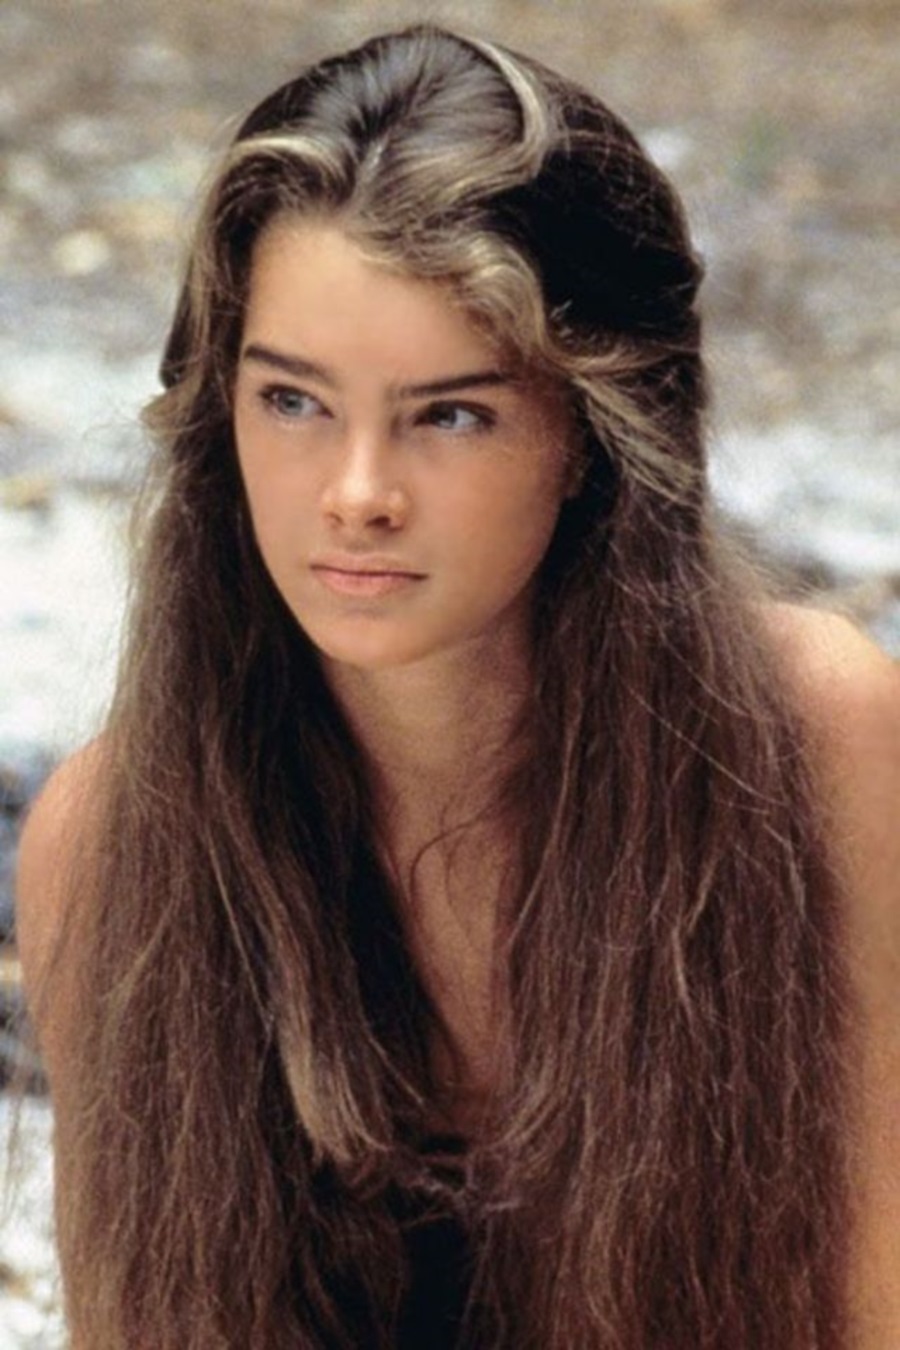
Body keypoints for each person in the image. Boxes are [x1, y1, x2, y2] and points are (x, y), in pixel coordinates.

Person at [13, 23, 900, 1350]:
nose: (357, 493)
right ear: (220, 413)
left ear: (589, 435)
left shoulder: (815, 743)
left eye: (450, 414)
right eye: (294, 402)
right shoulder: (109, 847)